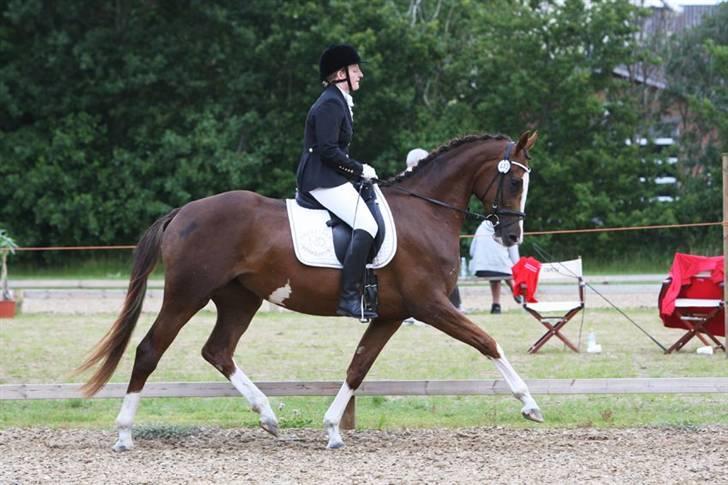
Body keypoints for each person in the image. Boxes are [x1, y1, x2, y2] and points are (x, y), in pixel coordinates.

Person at [296, 44, 378, 319]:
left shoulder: (337, 100)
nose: (361, 75)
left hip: (331, 176)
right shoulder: (331, 102)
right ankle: (349, 298)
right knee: (367, 224)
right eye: (356, 70)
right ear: (340, 74)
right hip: (321, 179)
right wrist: (359, 170)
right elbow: (328, 150)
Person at [468, 220, 520, 314]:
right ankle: (514, 289)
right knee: (502, 268)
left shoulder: (481, 227)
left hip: (481, 269)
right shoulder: (508, 228)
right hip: (503, 270)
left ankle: (496, 305)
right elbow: (514, 256)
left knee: (496, 272)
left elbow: (472, 251)